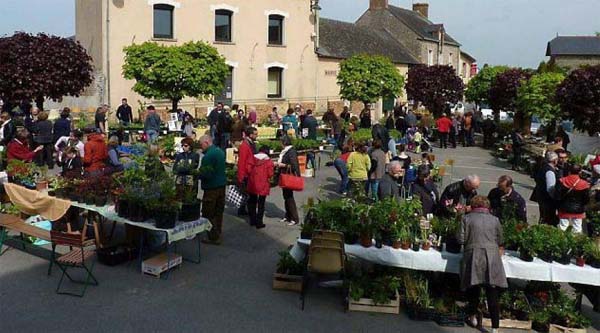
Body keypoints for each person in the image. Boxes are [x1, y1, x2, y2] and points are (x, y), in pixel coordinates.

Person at [458, 195, 507, 333]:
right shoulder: (495, 220)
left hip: (473, 255)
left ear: (473, 205)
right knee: (492, 292)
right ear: (487, 206)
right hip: (492, 257)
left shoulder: (466, 218)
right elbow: (500, 238)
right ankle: (495, 327)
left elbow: (460, 239)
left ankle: (472, 317)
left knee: (474, 287)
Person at [198, 135, 226, 245]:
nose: (201, 147)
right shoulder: (219, 151)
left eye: (201, 145)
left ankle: (213, 237)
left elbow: (206, 173)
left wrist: (198, 174)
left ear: (206, 142)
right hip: (221, 185)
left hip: (211, 187)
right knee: (218, 211)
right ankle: (218, 231)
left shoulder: (208, 156)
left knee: (208, 212)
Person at [556, 164, 590, 233]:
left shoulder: (562, 180)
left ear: (569, 171)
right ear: (580, 172)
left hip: (564, 207)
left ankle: (559, 241)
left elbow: (557, 195)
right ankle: (574, 242)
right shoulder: (584, 184)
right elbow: (586, 199)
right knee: (577, 228)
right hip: (578, 209)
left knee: (562, 227)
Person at [246, 146, 274, 229]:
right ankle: (259, 222)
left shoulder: (252, 158)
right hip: (263, 184)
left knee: (252, 202)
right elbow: (270, 174)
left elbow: (248, 169)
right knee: (261, 204)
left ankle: (252, 220)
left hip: (252, 182)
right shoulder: (268, 161)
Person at [276, 135, 301, 226]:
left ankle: (294, 218)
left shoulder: (291, 151)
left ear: (284, 142)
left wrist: (283, 165)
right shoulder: (286, 151)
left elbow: (294, 165)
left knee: (289, 197)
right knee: (286, 196)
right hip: (284, 175)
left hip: (288, 176)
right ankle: (288, 216)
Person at [531, 151, 559, 226]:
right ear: (555, 160)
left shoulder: (543, 167)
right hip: (547, 199)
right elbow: (550, 188)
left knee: (543, 217)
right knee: (548, 218)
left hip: (541, 196)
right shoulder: (550, 171)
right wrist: (555, 198)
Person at [237, 126, 258, 216]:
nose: (257, 136)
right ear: (250, 135)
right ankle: (248, 211)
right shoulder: (245, 146)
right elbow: (242, 162)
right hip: (246, 173)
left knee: (247, 194)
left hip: (250, 172)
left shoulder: (251, 143)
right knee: (248, 194)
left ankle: (243, 210)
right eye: (255, 134)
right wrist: (241, 177)